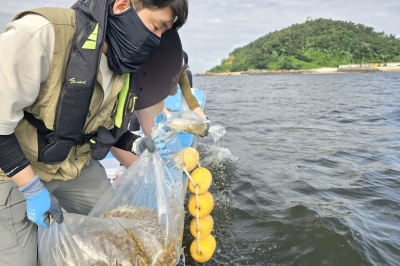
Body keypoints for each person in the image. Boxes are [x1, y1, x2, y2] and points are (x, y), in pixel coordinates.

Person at [0, 0, 188, 264]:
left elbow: (103, 130)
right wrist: (31, 189)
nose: (157, 40)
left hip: (74, 167)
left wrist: (137, 144)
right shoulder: (41, 33)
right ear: (122, 6)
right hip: (14, 170)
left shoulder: (123, 65)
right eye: (157, 27)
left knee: (124, 227)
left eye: (162, 34)